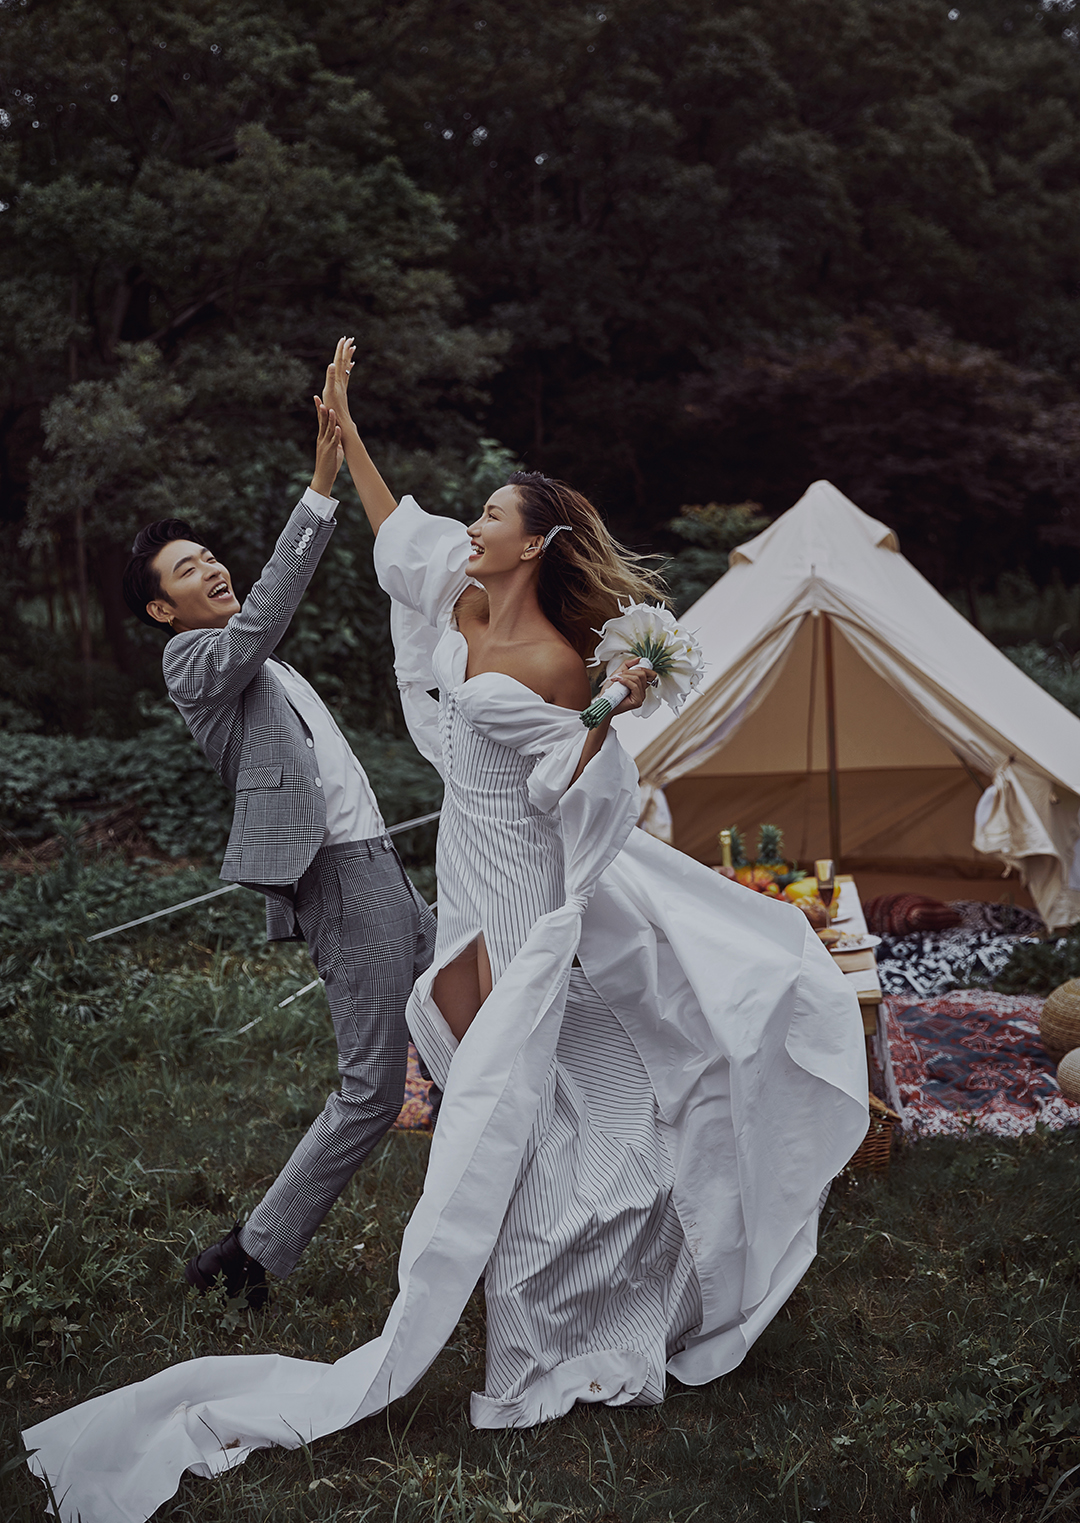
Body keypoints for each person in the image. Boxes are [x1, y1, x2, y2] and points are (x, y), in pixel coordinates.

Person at [25, 344, 868, 1523]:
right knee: (428, 1087)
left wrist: (608, 706)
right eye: (184, 568)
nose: (470, 527)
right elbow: (379, 552)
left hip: (477, 880)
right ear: (162, 609)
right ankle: (302, 1259)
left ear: (533, 544)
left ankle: (573, 1263)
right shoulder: (260, 645)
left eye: (490, 517)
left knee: (508, 1075)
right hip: (403, 880)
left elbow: (558, 760)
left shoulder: (547, 650)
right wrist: (336, 459)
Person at [118, 384, 435, 1307]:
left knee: (467, 1029)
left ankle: (499, 1204)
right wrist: (321, 485)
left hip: (380, 864)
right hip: (339, 878)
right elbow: (262, 615)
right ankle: (246, 1254)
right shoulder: (196, 662)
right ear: (163, 611)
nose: (209, 568)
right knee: (372, 1092)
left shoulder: (254, 658)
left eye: (207, 554)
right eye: (187, 570)